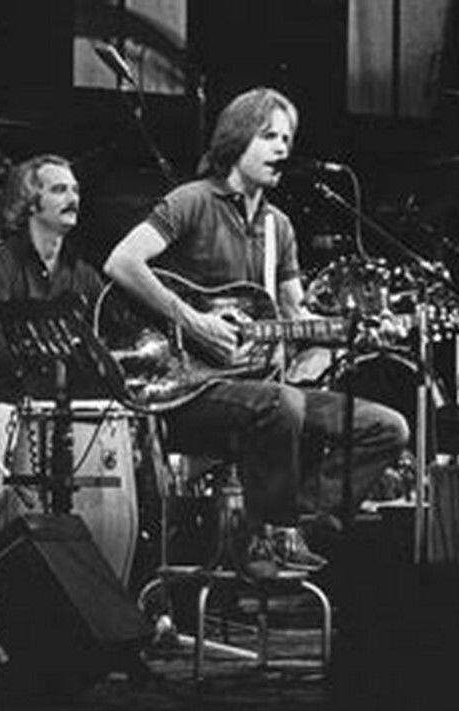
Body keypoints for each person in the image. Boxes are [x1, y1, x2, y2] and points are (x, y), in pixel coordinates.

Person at [103, 87, 409, 578]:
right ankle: (261, 532)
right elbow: (122, 262)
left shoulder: (278, 227)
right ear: (237, 138)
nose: (282, 148)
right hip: (186, 391)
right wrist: (194, 321)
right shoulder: (192, 201)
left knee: (386, 427)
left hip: (260, 392)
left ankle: (292, 526)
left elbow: (294, 312)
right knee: (281, 404)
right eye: (269, 136)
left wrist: (357, 331)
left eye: (287, 138)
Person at [0, 153, 105, 489]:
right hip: (8, 403)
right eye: (59, 190)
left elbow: (105, 343)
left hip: (68, 405)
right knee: (2, 424)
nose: (73, 198)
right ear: (31, 202)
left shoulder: (84, 275)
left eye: (75, 190)